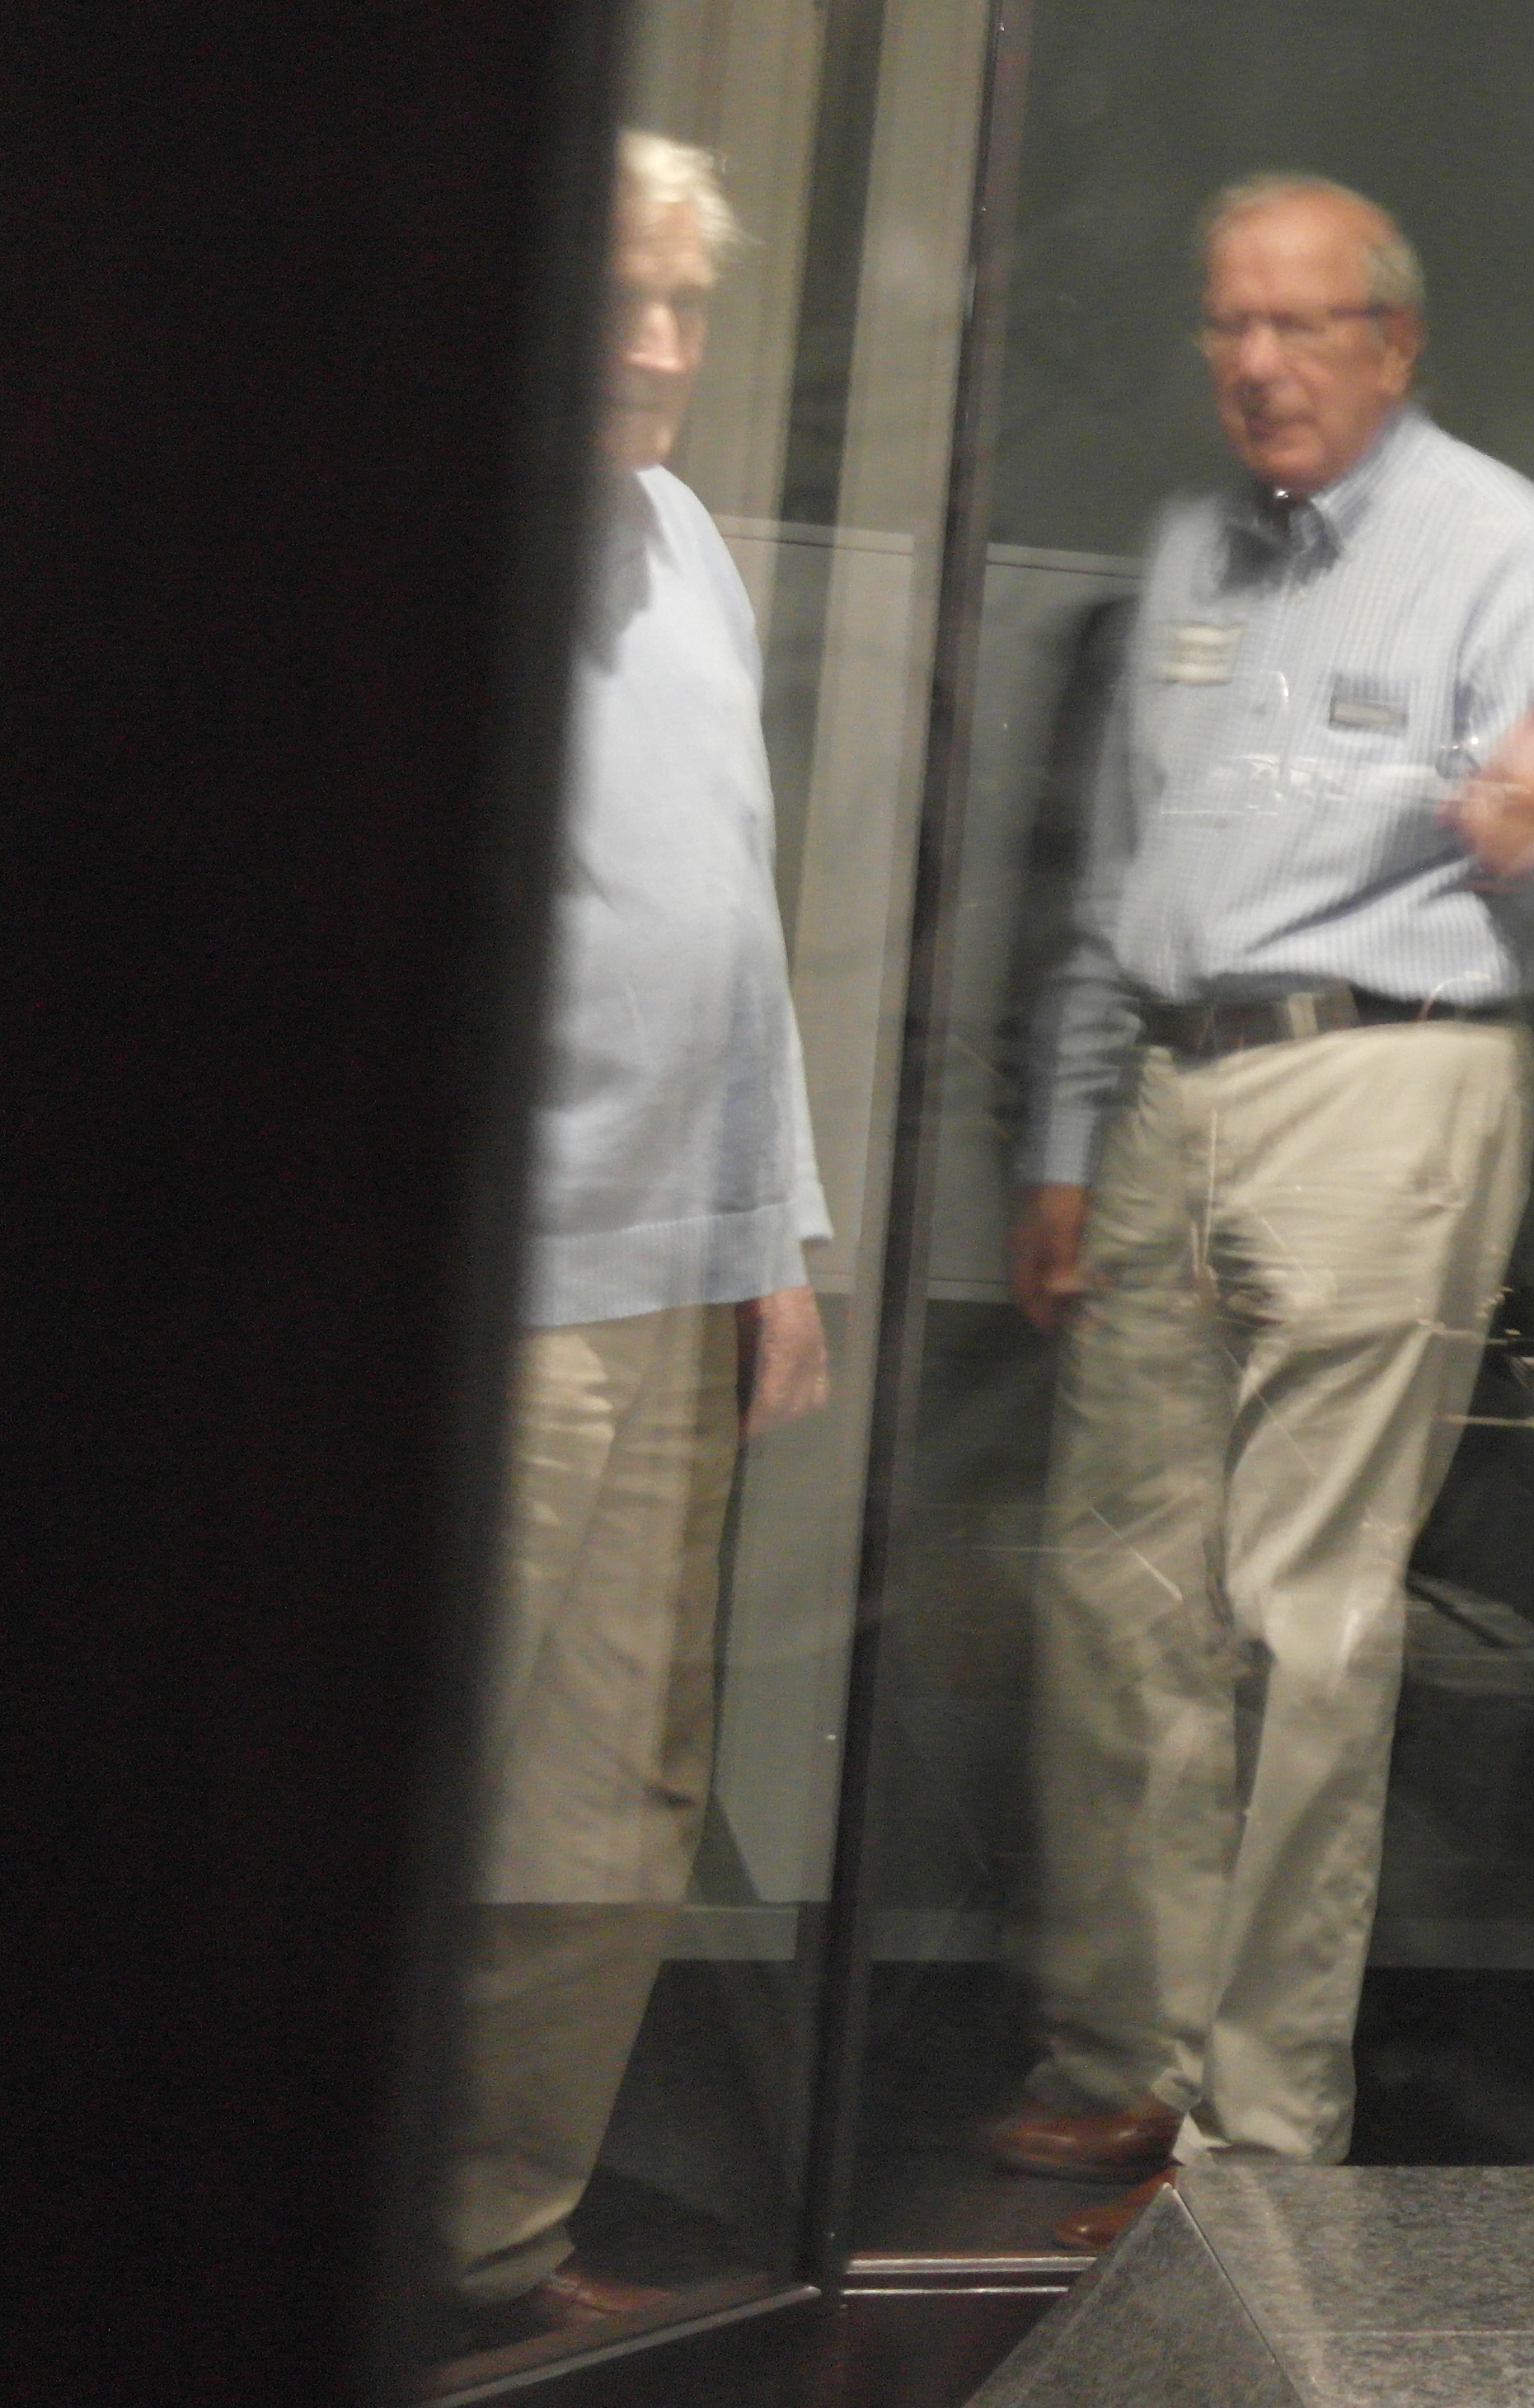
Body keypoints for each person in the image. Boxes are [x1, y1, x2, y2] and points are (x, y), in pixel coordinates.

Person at [997, 174, 1534, 2235]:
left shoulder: (1509, 552)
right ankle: (1126, 2060)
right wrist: (1066, 1140)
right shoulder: (1194, 550)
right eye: (1229, 324)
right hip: (1174, 1085)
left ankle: (1260, 2130)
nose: (1257, 363)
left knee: (1305, 1615)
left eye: (1301, 325)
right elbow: (1117, 879)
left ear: (1395, 342)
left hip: (1390, 1078)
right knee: (1120, 1602)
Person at [440, 134, 835, 2346]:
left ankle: (483, 2251)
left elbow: (735, 917)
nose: (667, 344)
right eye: (624, 297)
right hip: (504, 1291)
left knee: (608, 1803)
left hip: (677, 1282)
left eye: (690, 302)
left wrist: (777, 1231)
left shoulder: (684, 542)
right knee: (438, 1774)